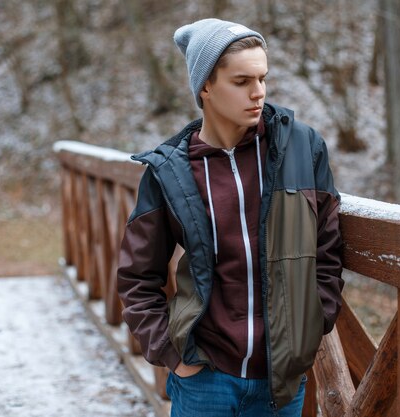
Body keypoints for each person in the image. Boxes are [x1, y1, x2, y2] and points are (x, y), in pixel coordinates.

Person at [117, 18, 344, 417]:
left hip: (282, 380)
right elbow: (137, 277)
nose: (258, 93)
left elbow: (328, 250)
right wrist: (174, 355)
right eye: (241, 81)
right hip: (205, 378)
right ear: (205, 86)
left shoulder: (301, 149)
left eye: (263, 78)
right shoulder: (170, 171)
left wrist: (311, 328)